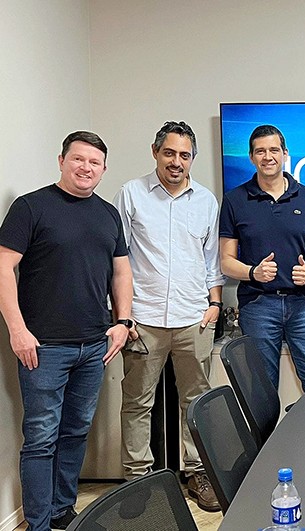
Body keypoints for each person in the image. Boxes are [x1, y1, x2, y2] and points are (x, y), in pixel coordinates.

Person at [0, 132, 132, 531]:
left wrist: (123, 322)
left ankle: (61, 510)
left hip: (94, 346)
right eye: (78, 159)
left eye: (94, 162)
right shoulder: (31, 207)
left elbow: (121, 271)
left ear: (103, 169)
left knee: (75, 432)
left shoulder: (108, 214)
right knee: (41, 438)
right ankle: (38, 523)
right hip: (43, 348)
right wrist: (17, 330)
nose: (86, 168)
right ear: (61, 161)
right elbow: (3, 267)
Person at [113, 121, 224, 511]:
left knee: (196, 401)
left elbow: (212, 260)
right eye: (169, 153)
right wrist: (123, 316)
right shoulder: (131, 194)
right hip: (143, 320)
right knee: (137, 403)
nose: (177, 162)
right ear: (156, 152)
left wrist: (214, 304)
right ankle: (136, 481)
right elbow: (117, 259)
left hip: (194, 317)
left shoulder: (206, 201)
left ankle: (197, 473)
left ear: (193, 158)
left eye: (185, 155)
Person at [219, 124, 305, 391]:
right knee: (262, 391)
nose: (267, 157)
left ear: (285, 154)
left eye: (273, 150)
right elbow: (225, 261)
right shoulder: (234, 200)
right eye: (260, 151)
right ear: (251, 157)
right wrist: (253, 272)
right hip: (258, 305)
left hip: (303, 303)